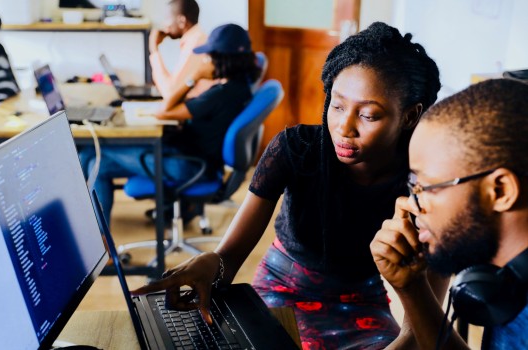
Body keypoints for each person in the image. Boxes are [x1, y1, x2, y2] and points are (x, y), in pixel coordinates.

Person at [132, 22, 443, 349]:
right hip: (281, 288)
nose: (344, 127)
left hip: (362, 303)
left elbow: (419, 327)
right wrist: (214, 262)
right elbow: (230, 257)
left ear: (409, 116)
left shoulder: (426, 184)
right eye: (336, 106)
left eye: (368, 115)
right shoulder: (296, 150)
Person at [370, 78, 528, 349]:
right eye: (412, 185)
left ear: (500, 191)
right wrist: (412, 288)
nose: (411, 204)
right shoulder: (506, 281)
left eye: (426, 186)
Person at [80, 23, 261, 219]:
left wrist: (194, 77)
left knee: (92, 154)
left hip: (187, 166)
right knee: (97, 164)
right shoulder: (239, 87)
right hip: (194, 160)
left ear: (222, 59)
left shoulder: (221, 95)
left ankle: (91, 231)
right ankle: (100, 237)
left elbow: (165, 111)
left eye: (209, 55)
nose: (205, 59)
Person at [149, 0, 214, 99]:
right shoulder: (196, 39)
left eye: (167, 18)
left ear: (181, 21)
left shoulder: (195, 45)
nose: (164, 25)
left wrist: (154, 49)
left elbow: (170, 93)